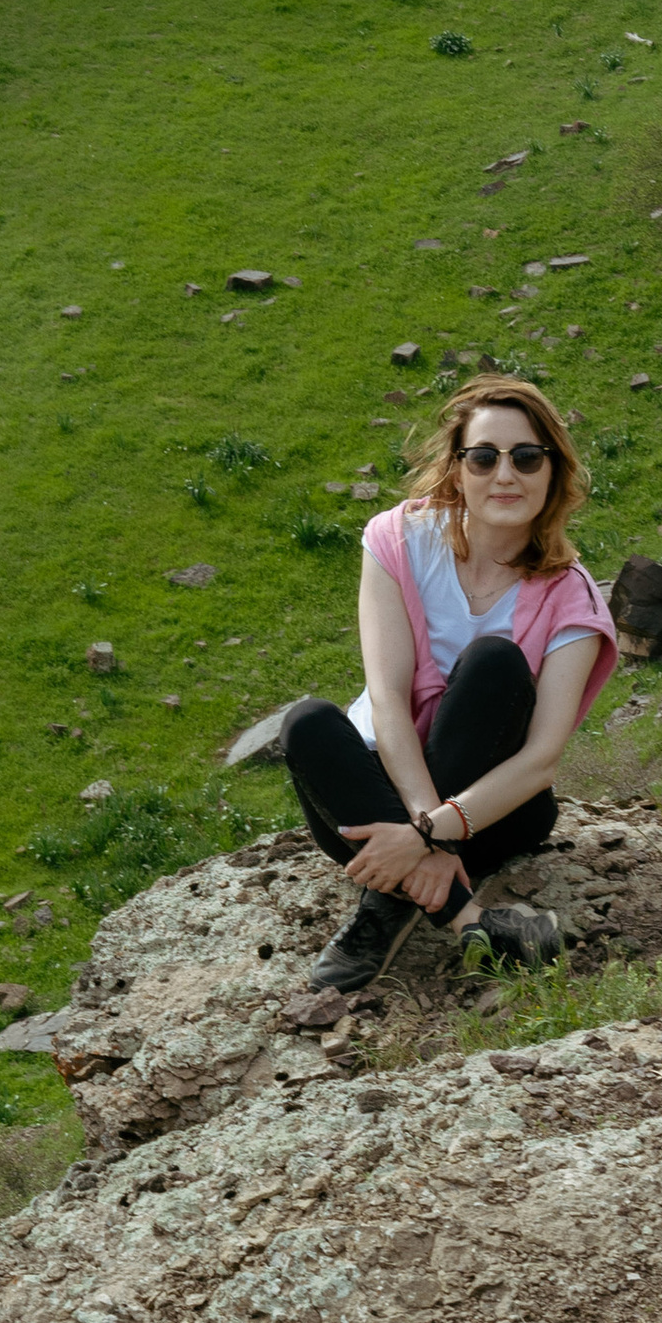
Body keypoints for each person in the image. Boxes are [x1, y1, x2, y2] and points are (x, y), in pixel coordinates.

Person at [280, 375, 618, 994]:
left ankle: (382, 913)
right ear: (457, 470)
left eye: (527, 457)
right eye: (484, 457)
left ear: (553, 472)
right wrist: (418, 832)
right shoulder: (399, 540)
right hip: (372, 808)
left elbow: (541, 760)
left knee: (494, 661)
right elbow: (387, 697)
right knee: (307, 722)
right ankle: (468, 919)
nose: (505, 475)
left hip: (493, 812)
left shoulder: (574, 598)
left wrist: (430, 832)